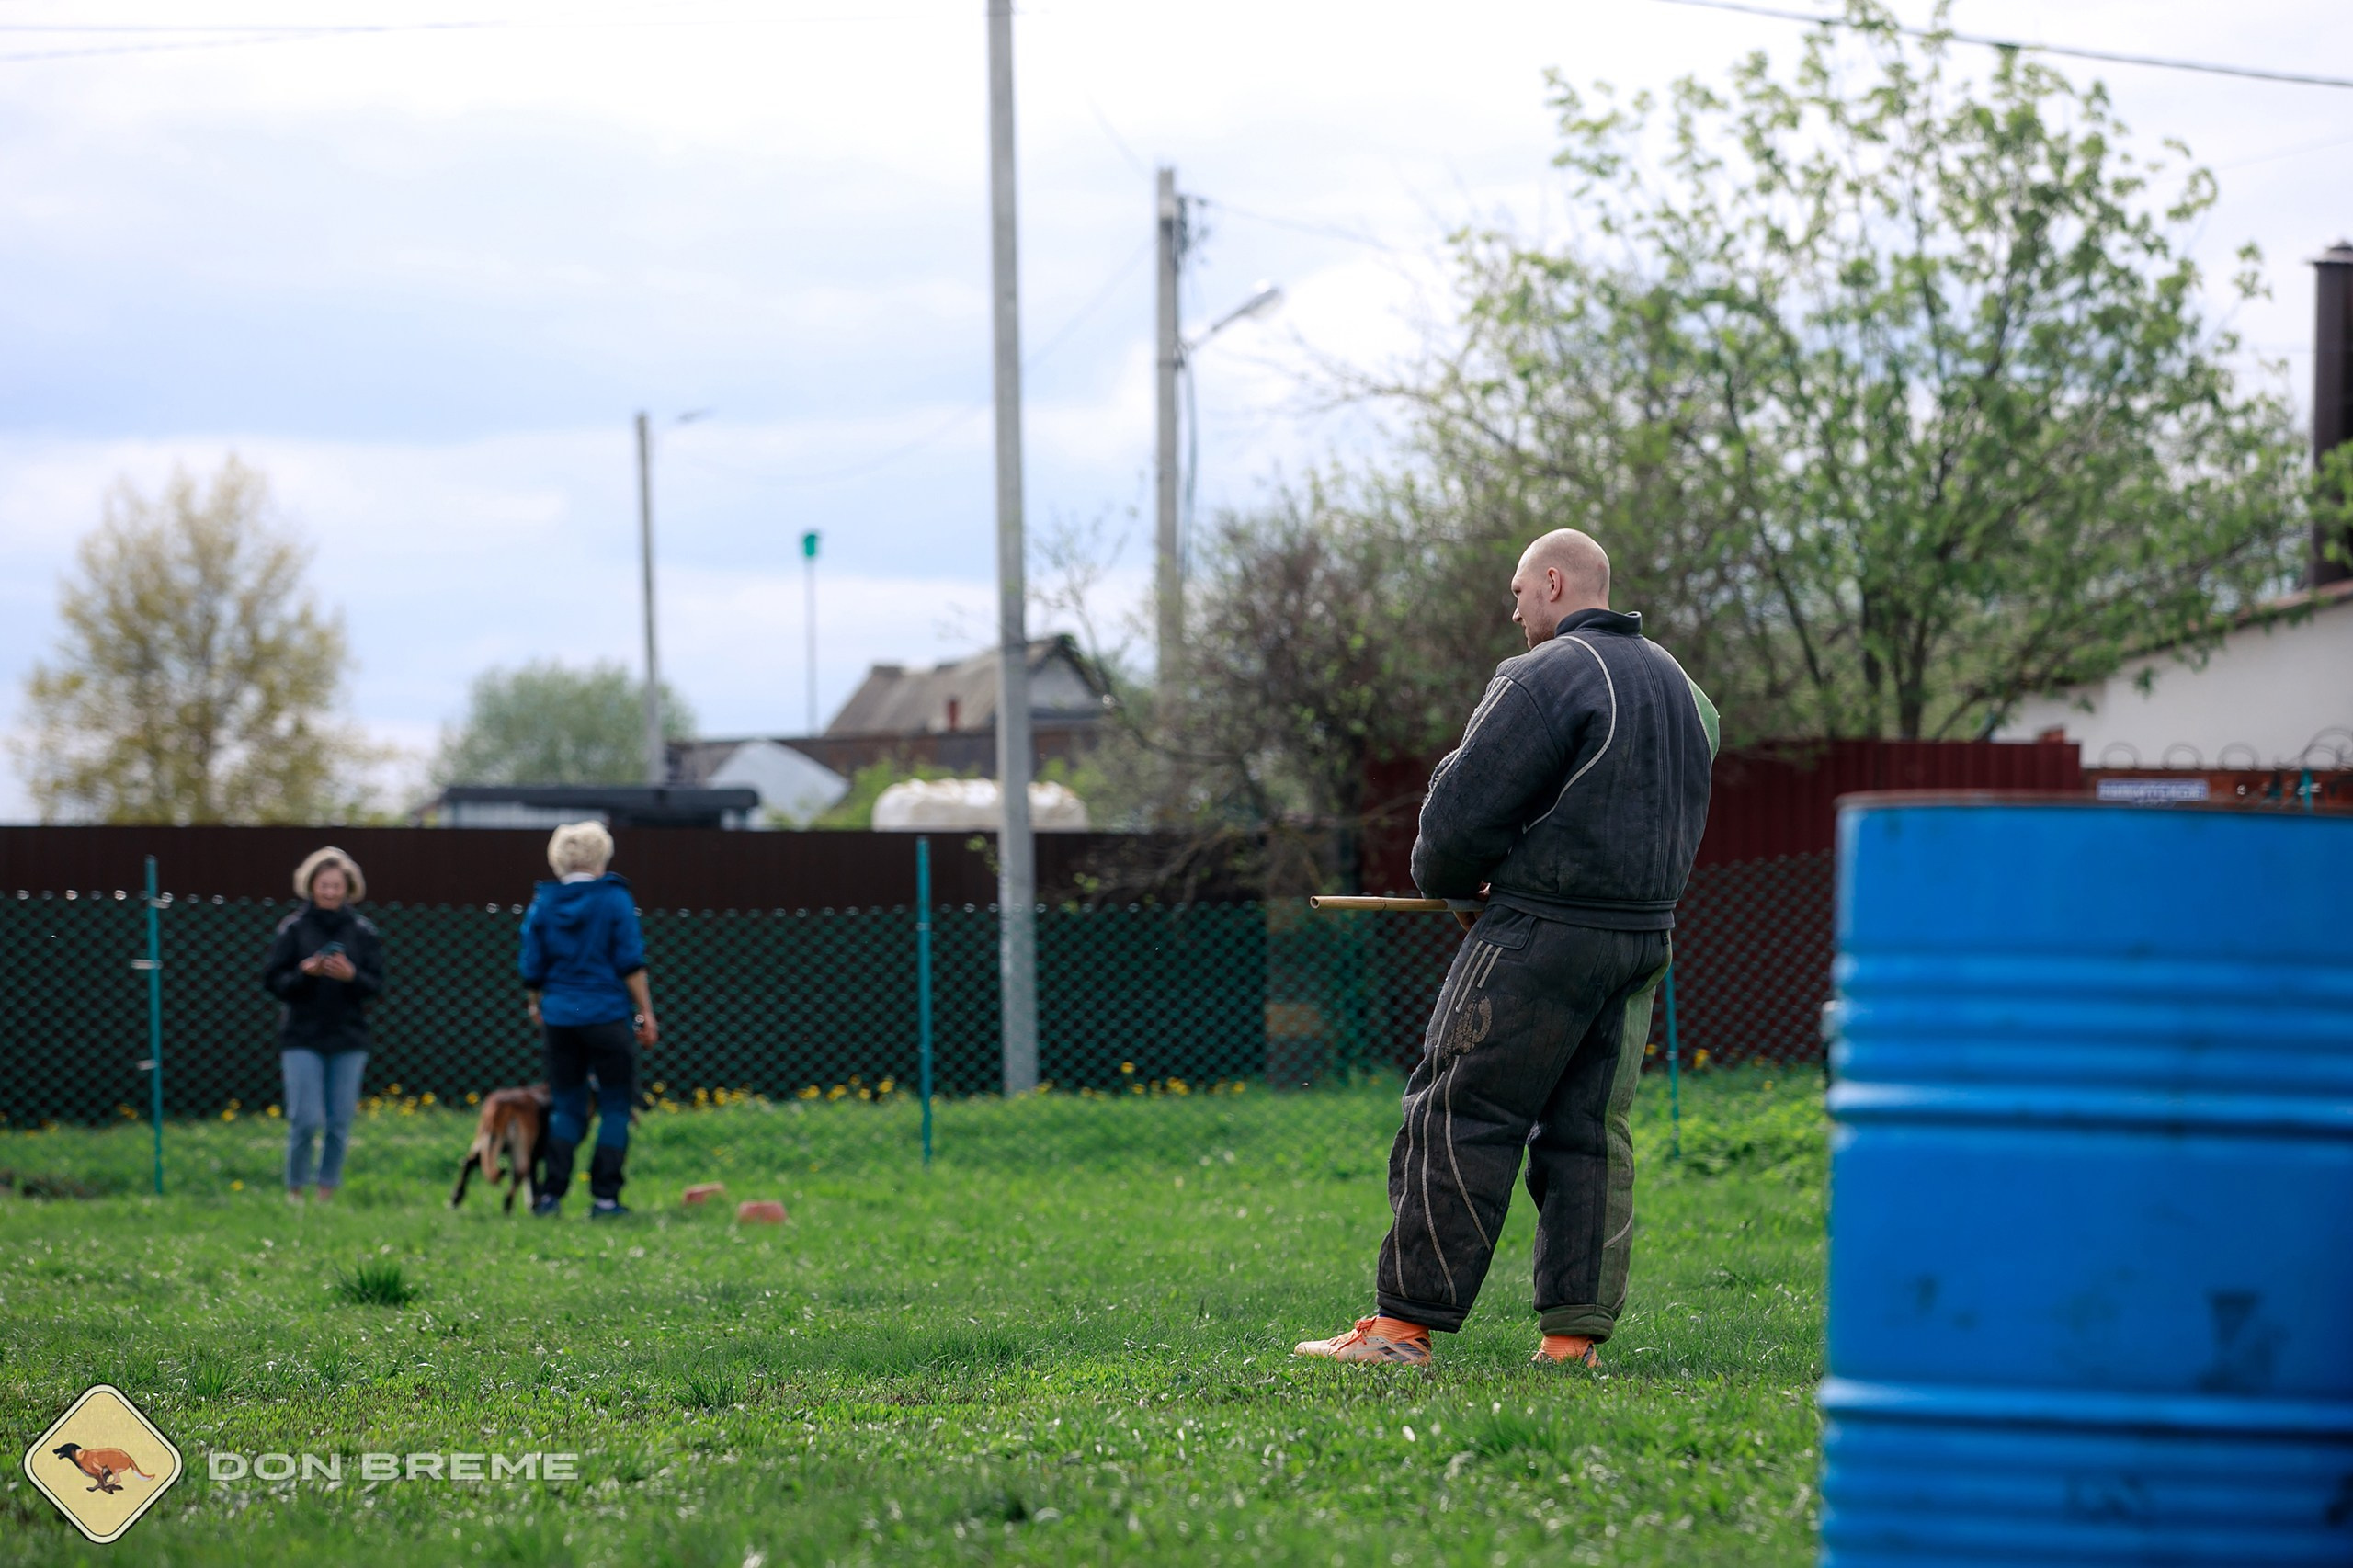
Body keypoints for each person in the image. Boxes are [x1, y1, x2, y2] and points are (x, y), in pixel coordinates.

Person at [1295, 528, 1718, 1369]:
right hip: (1644, 938)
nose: (1515, 611)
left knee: (1459, 1111)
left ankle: (1401, 1332)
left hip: (1539, 937)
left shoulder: (1545, 674)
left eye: (1519, 592)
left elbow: (1456, 820)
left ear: (1554, 583)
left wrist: (1460, 887)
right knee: (1589, 1133)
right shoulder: (1687, 691)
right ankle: (1571, 1341)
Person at [518, 820, 659, 1220]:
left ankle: (550, 1197)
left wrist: (535, 1004)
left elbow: (532, 966)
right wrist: (645, 1013)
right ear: (601, 855)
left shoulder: (543, 903)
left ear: (558, 858)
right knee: (615, 1105)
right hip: (606, 1015)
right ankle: (605, 1200)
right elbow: (630, 961)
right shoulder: (614, 899)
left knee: (566, 1106)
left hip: (561, 1016)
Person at [264, 846, 386, 1204]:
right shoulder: (293, 929)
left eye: (336, 886)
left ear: (348, 888)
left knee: (339, 1122)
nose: (330, 892)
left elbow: (376, 986)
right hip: (302, 1036)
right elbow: (273, 981)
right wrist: (305, 973)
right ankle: (295, 1190)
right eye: (324, 885)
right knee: (304, 1119)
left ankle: (326, 1192)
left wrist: (351, 976)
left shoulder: (363, 932)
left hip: (348, 1037)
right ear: (311, 886)